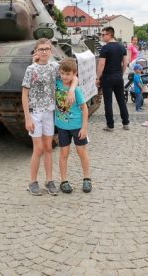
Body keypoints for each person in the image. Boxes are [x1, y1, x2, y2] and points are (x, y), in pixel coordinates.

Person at [21, 38, 75, 196]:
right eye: (41, 49)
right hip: (35, 113)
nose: (44, 51)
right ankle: (32, 182)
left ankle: (49, 180)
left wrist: (72, 89)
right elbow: (24, 95)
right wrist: (27, 118)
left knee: (48, 148)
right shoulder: (31, 69)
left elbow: (73, 75)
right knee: (38, 149)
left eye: (47, 49)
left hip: (49, 113)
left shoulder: (55, 67)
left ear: (51, 51)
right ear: (36, 51)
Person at [55, 58, 92, 194]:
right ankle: (64, 180)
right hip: (62, 126)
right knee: (64, 153)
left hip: (77, 126)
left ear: (74, 74)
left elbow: (85, 108)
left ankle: (87, 178)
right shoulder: (57, 84)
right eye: (63, 73)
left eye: (68, 74)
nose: (65, 76)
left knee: (81, 152)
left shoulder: (76, 90)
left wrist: (84, 127)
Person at [96, 26, 130, 131]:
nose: (102, 36)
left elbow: (101, 64)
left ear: (110, 35)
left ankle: (110, 126)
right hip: (118, 77)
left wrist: (97, 78)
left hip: (107, 78)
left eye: (103, 34)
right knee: (121, 101)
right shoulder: (121, 47)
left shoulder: (105, 48)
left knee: (108, 102)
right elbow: (125, 63)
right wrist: (121, 73)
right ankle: (126, 123)